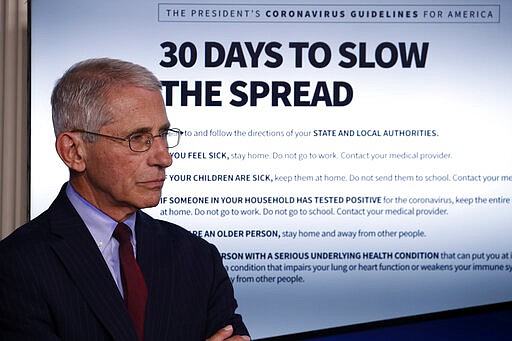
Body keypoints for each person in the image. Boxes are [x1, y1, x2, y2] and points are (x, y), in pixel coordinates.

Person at [0, 58, 250, 341]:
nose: (164, 158)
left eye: (163, 134)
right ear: (74, 151)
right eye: (138, 138)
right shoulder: (16, 267)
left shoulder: (198, 258)